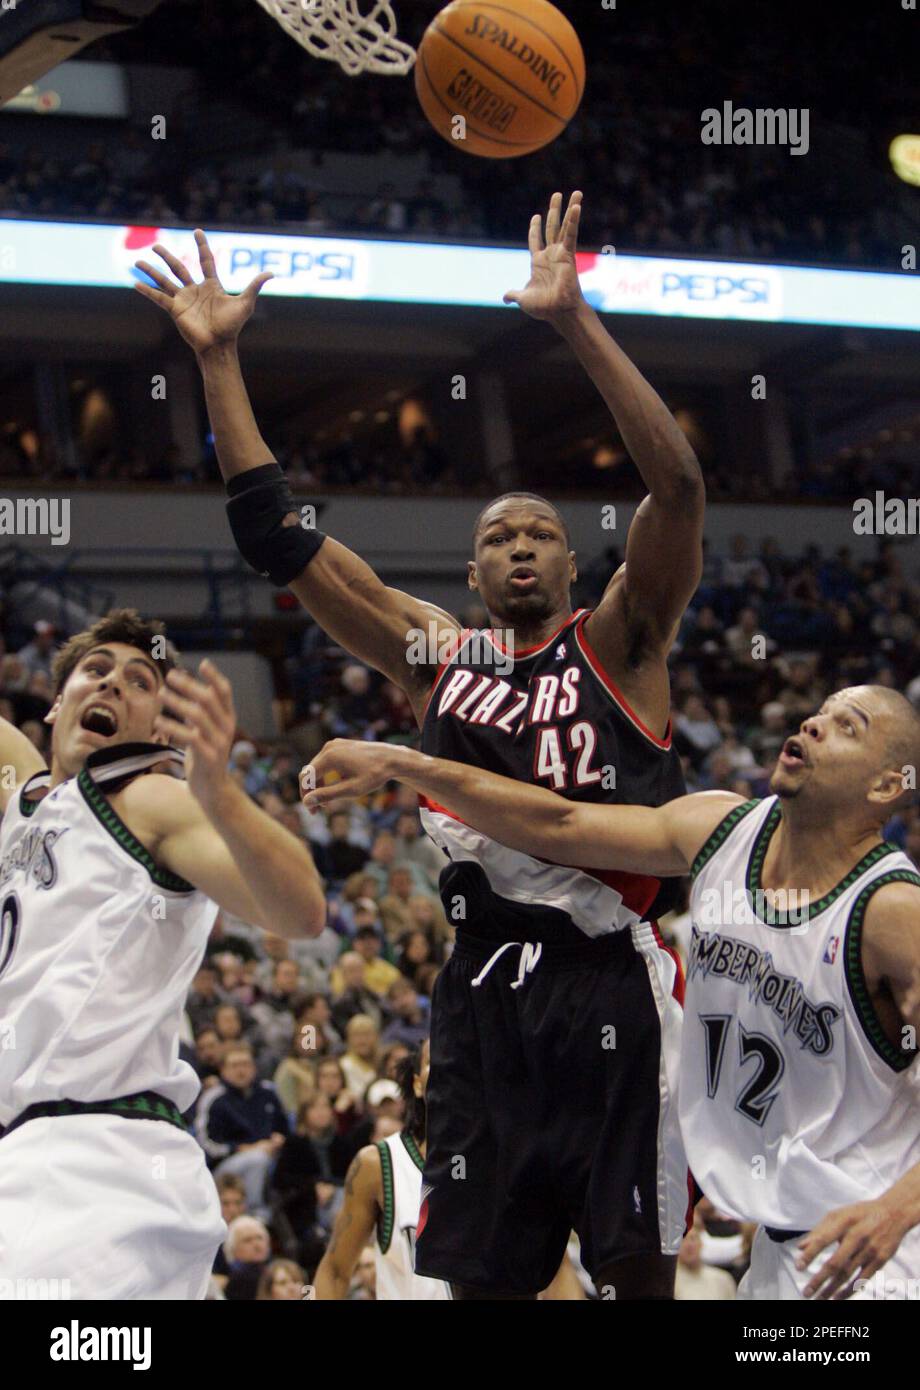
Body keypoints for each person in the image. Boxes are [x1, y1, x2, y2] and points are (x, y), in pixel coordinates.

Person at [136, 191, 705, 1300]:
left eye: (542, 530)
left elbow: (676, 486)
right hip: (478, 994)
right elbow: (276, 537)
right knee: (478, 1281)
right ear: (475, 573)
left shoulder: (624, 640)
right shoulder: (436, 654)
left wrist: (573, 322)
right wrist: (218, 361)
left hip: (608, 983)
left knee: (635, 1269)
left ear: (574, 566)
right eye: (499, 536)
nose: (523, 545)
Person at [306, 683, 920, 1301]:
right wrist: (398, 763)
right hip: (783, 1250)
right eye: (819, 709)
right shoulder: (720, 829)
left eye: (849, 726)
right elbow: (559, 822)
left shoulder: (893, 914)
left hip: (876, 1252)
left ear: (886, 787)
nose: (815, 723)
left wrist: (896, 1210)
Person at [0, 609, 325, 1299]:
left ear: (155, 728)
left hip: (101, 1158)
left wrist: (222, 794)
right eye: (96, 672)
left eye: (139, 680)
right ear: (56, 702)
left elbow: (300, 912)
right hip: (30, 1158)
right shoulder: (23, 801)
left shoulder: (149, 800)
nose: (113, 685)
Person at [313, 1043, 451, 1300]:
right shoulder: (379, 1164)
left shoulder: (509, 1162)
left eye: (461, 1055)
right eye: (438, 1058)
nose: (450, 1065)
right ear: (418, 1084)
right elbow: (334, 1271)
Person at [201, 1043, 290, 1221]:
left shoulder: (268, 1092)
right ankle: (254, 1214)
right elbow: (206, 1144)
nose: (241, 1070)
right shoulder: (215, 1098)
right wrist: (243, 1149)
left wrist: (279, 1140)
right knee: (258, 1159)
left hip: (271, 1156)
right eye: (235, 1065)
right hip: (227, 1167)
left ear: (254, 1068)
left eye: (245, 1064)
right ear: (223, 1070)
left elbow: (285, 1128)